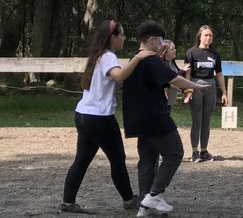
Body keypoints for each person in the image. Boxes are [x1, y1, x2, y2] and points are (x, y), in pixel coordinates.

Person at [60, 20, 153, 213]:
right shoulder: (109, 57)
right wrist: (138, 57)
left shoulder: (97, 56)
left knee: (82, 160)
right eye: (122, 35)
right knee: (117, 158)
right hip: (100, 118)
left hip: (83, 114)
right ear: (113, 37)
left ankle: (68, 202)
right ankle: (129, 199)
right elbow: (119, 76)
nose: (124, 38)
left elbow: (113, 81)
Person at [123, 21, 212, 217]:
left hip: (136, 118)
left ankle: (145, 206)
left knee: (148, 160)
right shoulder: (152, 60)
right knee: (175, 152)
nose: (162, 44)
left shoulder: (133, 60)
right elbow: (173, 78)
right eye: (161, 40)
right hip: (155, 117)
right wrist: (196, 86)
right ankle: (154, 195)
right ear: (153, 40)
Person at [184, 25, 228, 163]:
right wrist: (188, 90)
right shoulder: (191, 52)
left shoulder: (215, 54)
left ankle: (204, 151)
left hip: (211, 86)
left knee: (206, 120)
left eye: (210, 35)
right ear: (199, 37)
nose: (208, 38)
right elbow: (188, 73)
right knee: (196, 119)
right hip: (196, 85)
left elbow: (219, 74)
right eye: (206, 35)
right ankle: (194, 152)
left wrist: (224, 92)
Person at [158, 40, 187, 112]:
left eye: (175, 48)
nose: (175, 50)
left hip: (172, 92)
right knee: (164, 112)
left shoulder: (172, 61)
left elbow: (177, 74)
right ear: (165, 52)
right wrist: (183, 71)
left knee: (168, 112)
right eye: (172, 49)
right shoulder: (162, 63)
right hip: (163, 95)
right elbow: (169, 77)